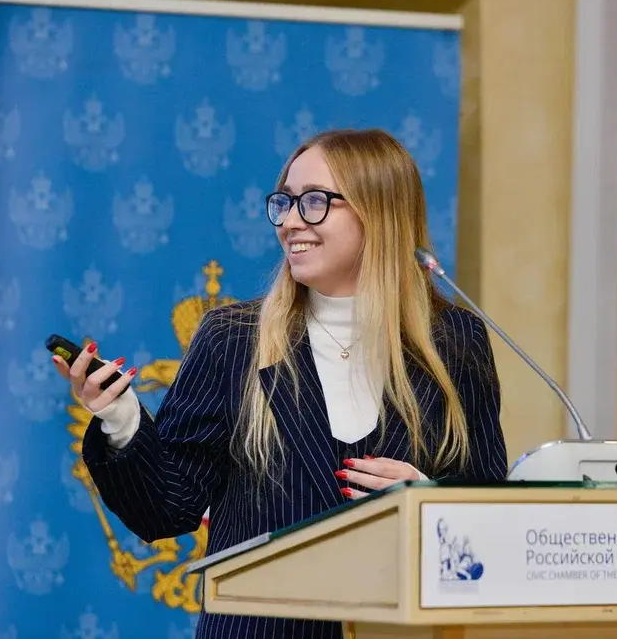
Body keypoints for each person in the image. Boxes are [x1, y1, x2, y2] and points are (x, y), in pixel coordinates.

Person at [52, 128, 507, 639]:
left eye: (314, 202)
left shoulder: (456, 342)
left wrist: (428, 501)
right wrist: (120, 418)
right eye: (285, 202)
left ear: (379, 212)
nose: (290, 222)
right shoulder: (232, 339)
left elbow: (490, 507)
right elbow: (167, 508)